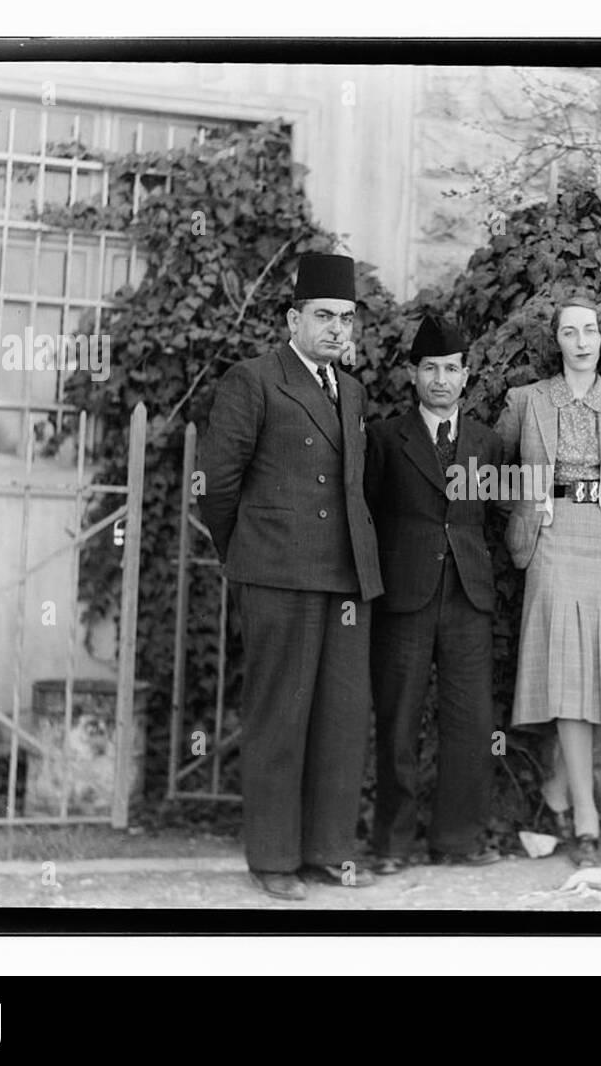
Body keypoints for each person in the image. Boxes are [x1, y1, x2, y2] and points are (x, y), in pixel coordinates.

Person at [199, 253, 383, 900]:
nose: (338, 329)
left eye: (347, 319)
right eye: (325, 316)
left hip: (345, 577)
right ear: (292, 319)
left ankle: (325, 852)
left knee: (340, 716)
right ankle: (273, 860)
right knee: (279, 715)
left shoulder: (352, 391)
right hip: (278, 573)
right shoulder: (253, 381)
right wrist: (248, 552)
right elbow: (217, 488)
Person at [496, 294, 601, 868]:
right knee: (567, 677)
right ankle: (586, 816)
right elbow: (494, 472)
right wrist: (532, 509)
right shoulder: (527, 401)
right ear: (556, 340)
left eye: (590, 331)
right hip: (553, 542)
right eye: (569, 332)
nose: (582, 342)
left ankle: (558, 786)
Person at [364, 314, 505, 873]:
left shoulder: (487, 442)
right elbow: (369, 515)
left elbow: (491, 518)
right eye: (430, 369)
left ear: (466, 376)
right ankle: (392, 845)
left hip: (468, 595)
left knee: (470, 719)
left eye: (451, 369)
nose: (441, 379)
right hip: (404, 597)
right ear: (413, 375)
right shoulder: (384, 439)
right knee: (399, 717)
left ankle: (458, 839)